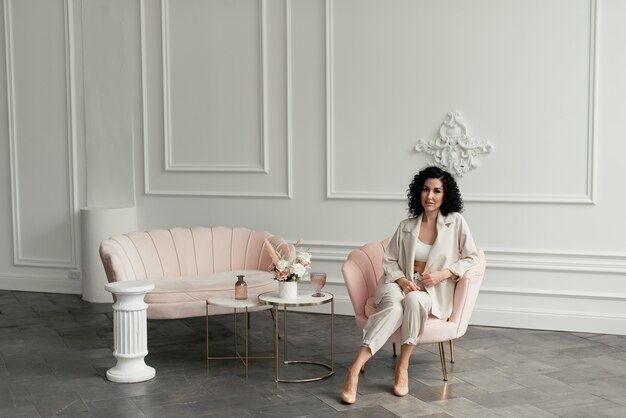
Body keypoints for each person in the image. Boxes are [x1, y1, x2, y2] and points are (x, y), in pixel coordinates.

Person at [341, 166, 479, 404]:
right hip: (397, 282)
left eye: (437, 190)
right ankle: (354, 371)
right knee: (395, 308)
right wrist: (402, 280)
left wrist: (443, 274)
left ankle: (402, 367)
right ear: (419, 192)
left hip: (430, 290)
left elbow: (472, 257)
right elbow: (389, 260)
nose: (430, 196)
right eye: (426, 189)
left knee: (415, 301)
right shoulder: (406, 225)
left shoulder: (456, 222)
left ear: (446, 195)